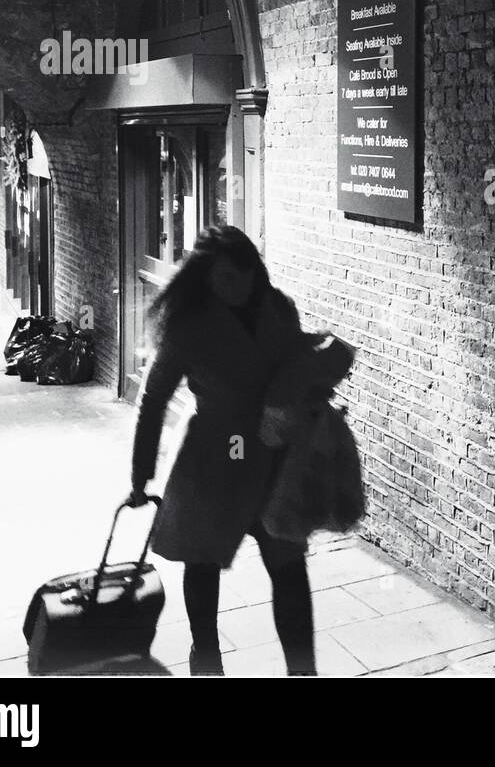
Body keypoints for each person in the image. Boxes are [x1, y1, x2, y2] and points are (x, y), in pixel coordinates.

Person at [128, 225, 316, 676]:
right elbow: (154, 398)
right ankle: (206, 660)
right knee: (203, 560)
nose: (235, 286)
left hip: (273, 454)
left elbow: (297, 370)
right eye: (224, 277)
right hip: (217, 454)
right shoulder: (189, 324)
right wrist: (140, 474)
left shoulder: (278, 309)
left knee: (289, 566)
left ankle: (302, 670)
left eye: (242, 274)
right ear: (206, 276)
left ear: (255, 271)